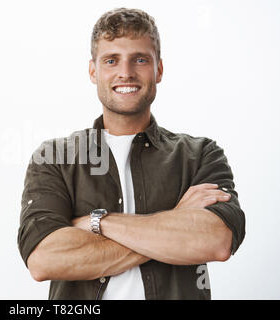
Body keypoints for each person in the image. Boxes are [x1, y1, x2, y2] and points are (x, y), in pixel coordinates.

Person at [17, 7, 245, 300]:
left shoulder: (199, 155)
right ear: (93, 70)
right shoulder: (55, 158)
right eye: (111, 60)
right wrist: (175, 222)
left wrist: (98, 223)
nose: (125, 72)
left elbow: (216, 241)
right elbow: (44, 259)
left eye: (140, 59)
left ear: (159, 69)